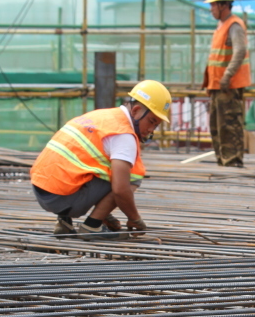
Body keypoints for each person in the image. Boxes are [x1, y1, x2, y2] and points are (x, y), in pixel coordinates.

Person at [30, 80, 171, 238]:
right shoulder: (123, 134)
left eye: (156, 125)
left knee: (91, 164)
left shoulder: (102, 116)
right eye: (151, 121)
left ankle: (65, 222)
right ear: (136, 111)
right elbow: (120, 190)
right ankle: (92, 226)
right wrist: (135, 219)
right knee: (131, 176)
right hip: (62, 198)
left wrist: (105, 213)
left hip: (41, 189)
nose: (151, 130)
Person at [202, 0, 250, 168]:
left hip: (228, 86)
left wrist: (227, 75)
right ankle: (223, 161)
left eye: (213, 4)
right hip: (218, 86)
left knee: (229, 125)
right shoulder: (221, 26)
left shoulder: (234, 25)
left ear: (223, 5)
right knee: (217, 127)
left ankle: (232, 162)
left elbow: (240, 51)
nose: (211, 8)